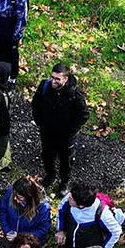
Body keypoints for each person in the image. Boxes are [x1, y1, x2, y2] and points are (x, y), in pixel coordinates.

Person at [31, 62, 88, 191]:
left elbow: (83, 114)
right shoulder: (44, 86)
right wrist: (40, 122)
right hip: (47, 132)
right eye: (52, 77)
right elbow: (35, 104)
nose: (53, 81)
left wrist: (70, 130)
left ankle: (64, 182)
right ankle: (50, 176)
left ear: (65, 79)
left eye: (57, 79)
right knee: (47, 156)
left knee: (66, 161)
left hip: (66, 137)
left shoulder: (75, 93)